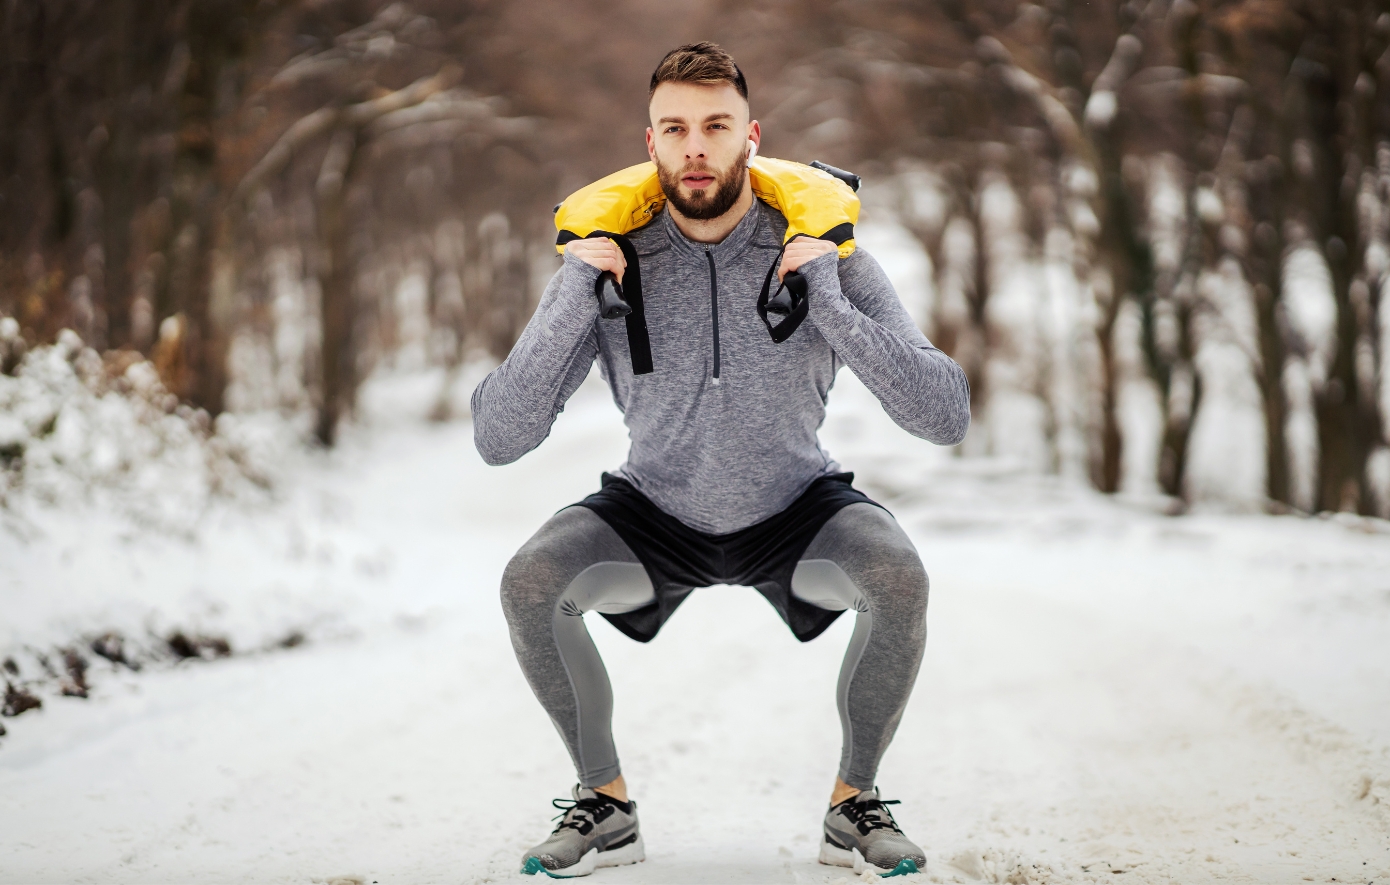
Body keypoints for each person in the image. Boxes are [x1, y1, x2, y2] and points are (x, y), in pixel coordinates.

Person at [471, 42, 970, 879]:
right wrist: (572, 292)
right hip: (652, 511)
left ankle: (853, 804)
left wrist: (828, 298)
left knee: (896, 575)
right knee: (530, 581)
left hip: (797, 507)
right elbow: (499, 436)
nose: (695, 147)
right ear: (650, 143)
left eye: (716, 126)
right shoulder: (608, 258)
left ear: (751, 136)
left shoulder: (825, 248)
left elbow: (944, 414)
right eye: (675, 129)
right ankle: (606, 806)